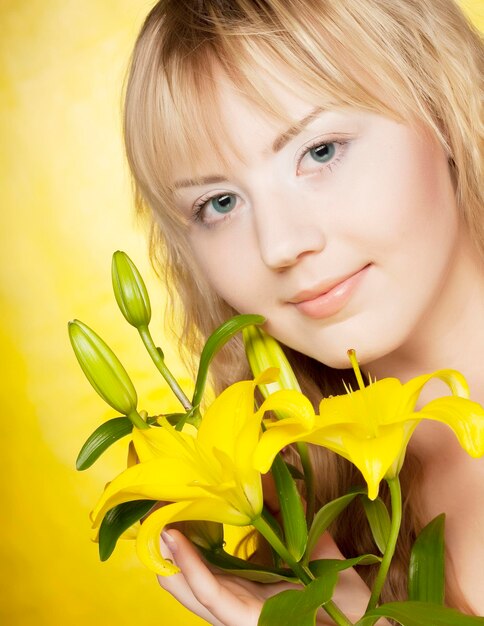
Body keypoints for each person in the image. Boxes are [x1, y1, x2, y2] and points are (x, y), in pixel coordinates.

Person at [122, 0, 484, 623]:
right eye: (220, 202)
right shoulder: (287, 506)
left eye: (320, 152)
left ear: (443, 109)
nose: (280, 246)